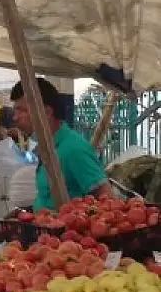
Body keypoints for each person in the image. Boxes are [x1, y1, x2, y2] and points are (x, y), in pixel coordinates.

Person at [10, 77, 110, 211]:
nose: (15, 118)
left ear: (47, 112)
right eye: (15, 111)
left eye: (22, 110)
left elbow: (107, 200)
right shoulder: (46, 147)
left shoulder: (73, 149)